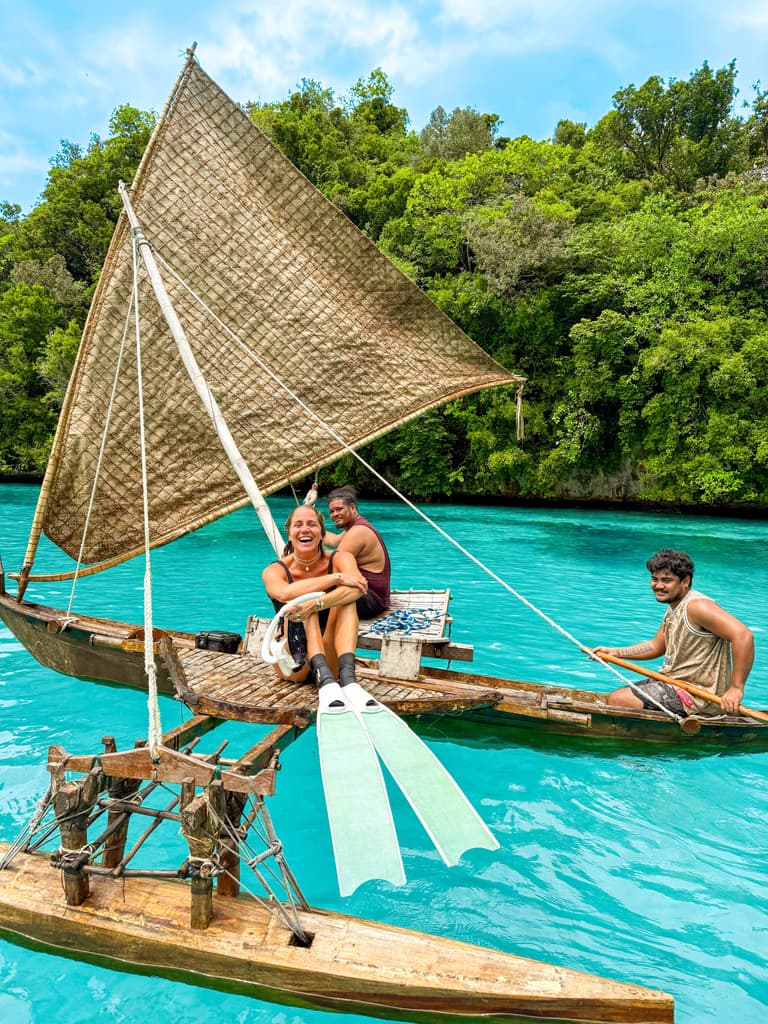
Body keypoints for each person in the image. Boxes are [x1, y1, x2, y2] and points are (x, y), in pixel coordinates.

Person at [593, 549, 754, 716]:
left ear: (685, 581)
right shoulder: (674, 606)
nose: (658, 586)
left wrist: (736, 688)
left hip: (699, 695)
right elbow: (656, 646)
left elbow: (743, 636)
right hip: (673, 682)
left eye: (666, 580)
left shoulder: (697, 606)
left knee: (618, 700)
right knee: (614, 699)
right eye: (654, 579)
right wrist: (614, 653)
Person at [262, 505, 368, 690]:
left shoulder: (341, 558)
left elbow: (359, 588)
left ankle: (348, 677)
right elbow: (285, 593)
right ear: (289, 533)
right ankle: (322, 674)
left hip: (330, 659)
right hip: (292, 660)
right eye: (298, 525)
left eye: (312, 524)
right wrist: (337, 577)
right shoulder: (274, 570)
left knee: (347, 602)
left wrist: (318, 604)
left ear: (322, 533)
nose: (305, 529)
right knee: (299, 604)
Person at [323, 486, 391, 618]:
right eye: (331, 511)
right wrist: (311, 530)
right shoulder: (356, 527)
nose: (334, 514)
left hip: (370, 601)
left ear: (352, 508)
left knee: (305, 588)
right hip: (375, 598)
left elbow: (332, 566)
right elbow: (334, 540)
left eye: (339, 509)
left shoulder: (357, 532)